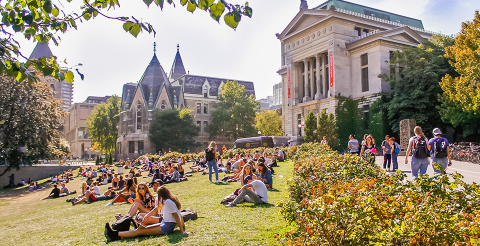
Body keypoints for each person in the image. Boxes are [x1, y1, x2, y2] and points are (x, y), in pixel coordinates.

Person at [104, 186, 188, 241]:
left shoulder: (168, 202)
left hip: (167, 227)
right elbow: (157, 209)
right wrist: (147, 216)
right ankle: (118, 234)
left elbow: (177, 216)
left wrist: (182, 230)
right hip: (164, 224)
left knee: (139, 231)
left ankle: (114, 234)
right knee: (140, 229)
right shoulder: (166, 200)